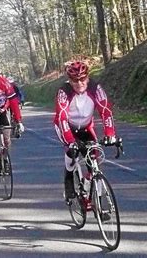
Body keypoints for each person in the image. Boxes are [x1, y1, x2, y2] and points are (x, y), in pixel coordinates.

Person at [53, 60, 117, 200]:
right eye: (75, 80)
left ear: (87, 77)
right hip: (66, 127)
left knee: (94, 160)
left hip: (86, 127)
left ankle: (96, 197)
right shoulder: (64, 91)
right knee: (72, 152)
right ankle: (69, 180)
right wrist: (70, 141)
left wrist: (110, 134)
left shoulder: (95, 88)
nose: (79, 83)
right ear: (69, 80)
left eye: (82, 79)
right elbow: (62, 117)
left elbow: (106, 111)